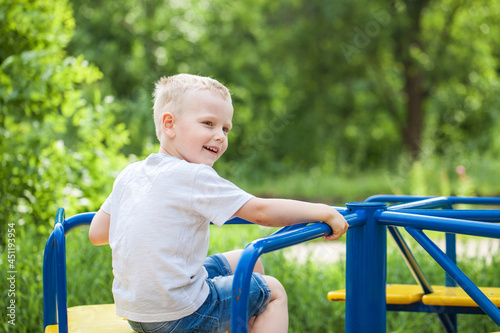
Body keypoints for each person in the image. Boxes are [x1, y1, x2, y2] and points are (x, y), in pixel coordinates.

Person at [88, 73, 348, 333]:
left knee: (244, 260)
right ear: (169, 124)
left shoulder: (130, 174)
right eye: (208, 123)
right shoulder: (193, 176)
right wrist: (322, 211)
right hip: (182, 315)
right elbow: (261, 211)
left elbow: (97, 233)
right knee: (273, 292)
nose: (220, 136)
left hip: (137, 314)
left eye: (225, 128)